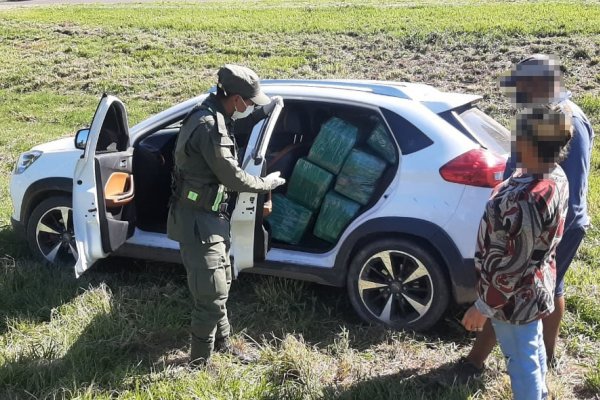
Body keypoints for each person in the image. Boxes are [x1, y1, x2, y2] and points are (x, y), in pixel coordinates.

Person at [458, 54, 595, 378]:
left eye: (521, 86)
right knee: (548, 287)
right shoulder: (545, 114)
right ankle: (545, 359)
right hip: (542, 220)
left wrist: (528, 221)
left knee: (516, 290)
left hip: (550, 224)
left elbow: (562, 185)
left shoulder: (567, 121)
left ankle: (477, 363)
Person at [167, 64, 286, 365]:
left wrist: (267, 111)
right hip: (198, 222)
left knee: (222, 284)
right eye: (248, 102)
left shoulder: (215, 114)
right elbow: (232, 176)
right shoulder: (209, 125)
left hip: (212, 218)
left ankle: (223, 344)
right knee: (210, 296)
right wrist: (265, 184)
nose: (249, 108)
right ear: (235, 99)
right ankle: (199, 363)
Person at [462, 106, 572, 400]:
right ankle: (541, 393)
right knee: (531, 347)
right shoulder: (555, 174)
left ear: (528, 144)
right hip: (536, 285)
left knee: (520, 360)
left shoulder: (527, 198)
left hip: (513, 299)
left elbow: (513, 263)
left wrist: (483, 307)